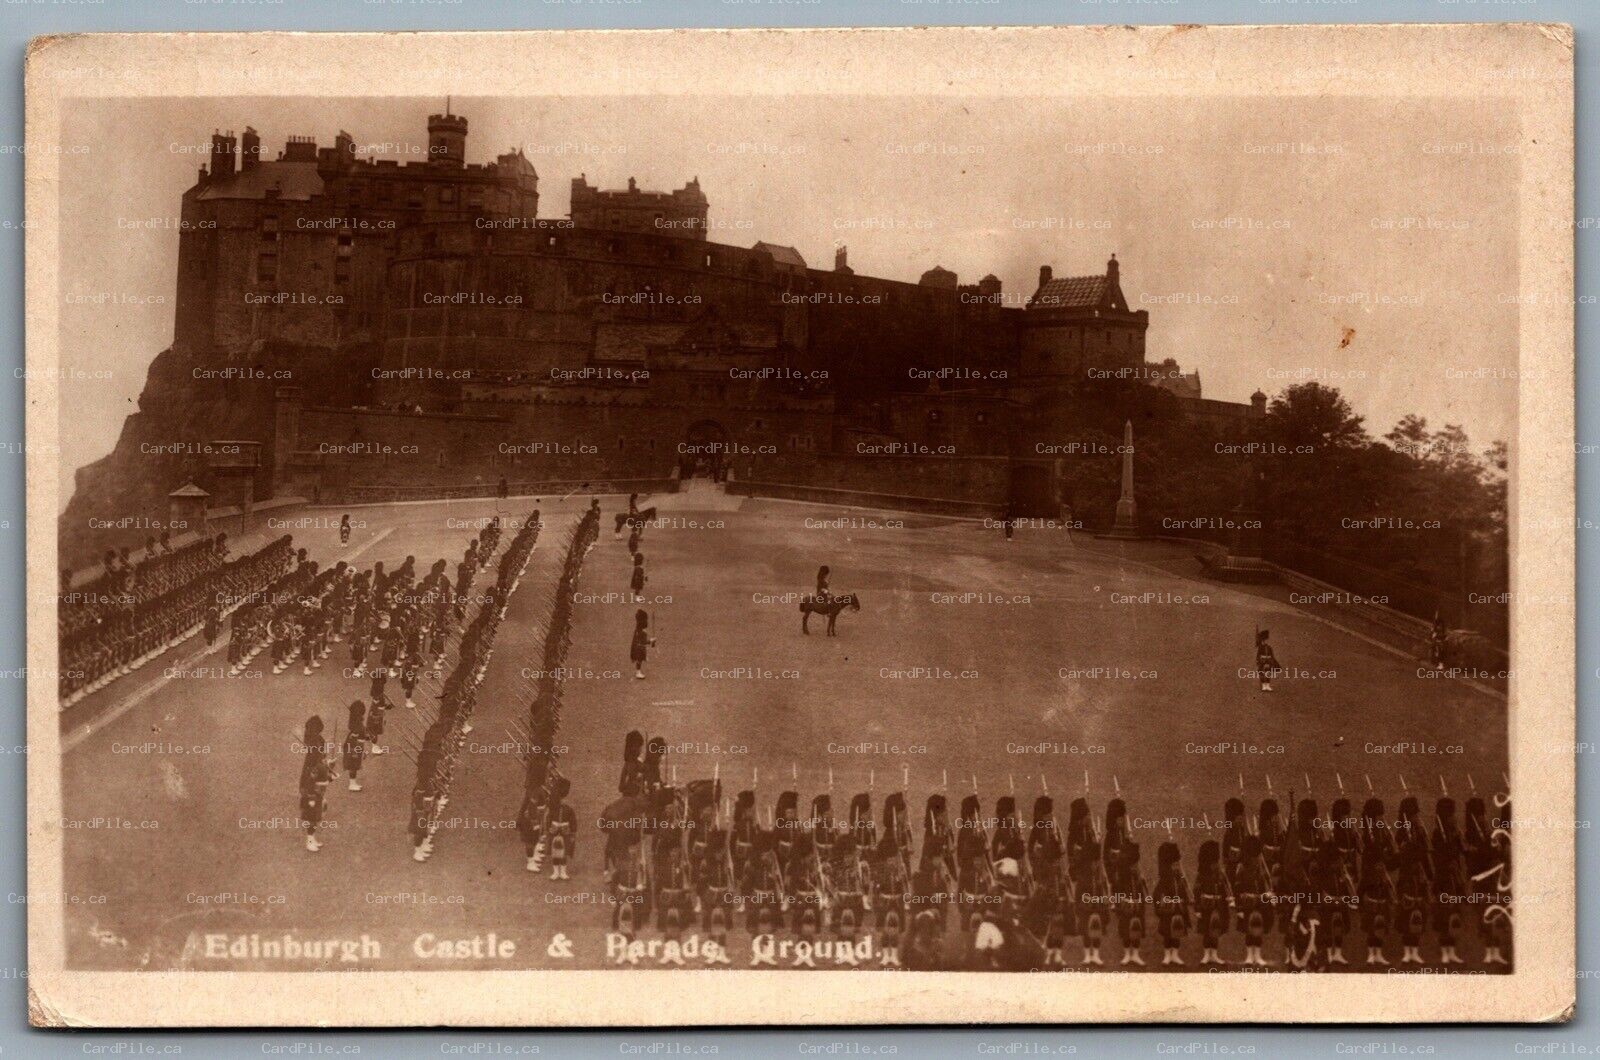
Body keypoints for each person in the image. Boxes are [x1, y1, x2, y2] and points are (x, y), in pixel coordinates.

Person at [299, 716, 334, 853]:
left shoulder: (315, 751)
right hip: (312, 791)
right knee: (312, 816)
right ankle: (309, 841)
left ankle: (312, 839)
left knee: (316, 815)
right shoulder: (313, 762)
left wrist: (328, 767)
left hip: (317, 790)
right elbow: (315, 776)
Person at [342, 701, 367, 793]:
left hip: (357, 745)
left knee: (355, 765)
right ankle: (352, 784)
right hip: (354, 746)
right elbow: (356, 736)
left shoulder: (356, 721)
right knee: (353, 765)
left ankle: (353, 783)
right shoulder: (356, 724)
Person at [630, 609, 655, 680]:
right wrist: (651, 640)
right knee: (639, 660)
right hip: (639, 648)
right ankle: (638, 672)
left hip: (637, 646)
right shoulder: (642, 632)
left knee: (639, 660)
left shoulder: (638, 629)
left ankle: (638, 671)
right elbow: (644, 641)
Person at [1255, 628, 1280, 693]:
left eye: (1266, 640)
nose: (1265, 642)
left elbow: (1272, 655)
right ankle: (1263, 685)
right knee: (1261, 672)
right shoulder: (1260, 647)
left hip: (1268, 661)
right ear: (1262, 641)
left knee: (1268, 672)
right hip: (1262, 661)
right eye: (1264, 641)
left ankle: (1267, 685)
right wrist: (1258, 661)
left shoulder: (1269, 647)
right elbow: (1258, 655)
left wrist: (1272, 661)